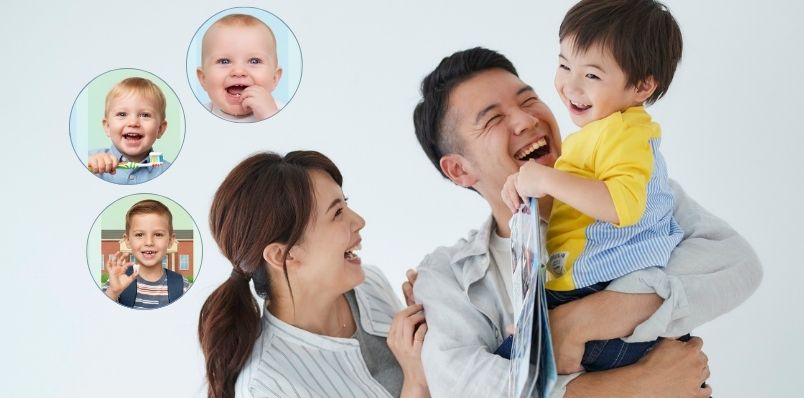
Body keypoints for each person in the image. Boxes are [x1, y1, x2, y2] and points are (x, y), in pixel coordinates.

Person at [411, 47, 762, 397]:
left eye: (528, 100)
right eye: (492, 119)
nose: (525, 120)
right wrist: (640, 385)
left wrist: (587, 318)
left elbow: (737, 264)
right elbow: (464, 386)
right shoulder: (447, 277)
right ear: (459, 169)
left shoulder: (636, 192)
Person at [500, 0, 686, 372]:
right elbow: (580, 211)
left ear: (642, 85)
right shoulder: (598, 132)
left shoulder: (624, 132)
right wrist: (531, 192)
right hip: (585, 283)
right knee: (512, 355)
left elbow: (621, 206)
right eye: (564, 65)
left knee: (508, 365)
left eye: (592, 76)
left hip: (603, 288)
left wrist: (546, 178)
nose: (569, 85)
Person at [198, 151, 429, 398]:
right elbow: (418, 378)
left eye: (346, 204)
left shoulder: (371, 285)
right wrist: (416, 382)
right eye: (337, 213)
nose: (359, 221)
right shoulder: (267, 387)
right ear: (283, 255)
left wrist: (434, 327)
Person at [196, 14, 284, 122]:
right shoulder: (197, 118)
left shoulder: (283, 115)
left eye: (254, 61)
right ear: (203, 79)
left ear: (274, 78)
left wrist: (270, 117)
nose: (238, 71)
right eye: (224, 61)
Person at [103, 199, 190, 309]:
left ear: (170, 240)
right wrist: (114, 292)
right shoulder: (116, 282)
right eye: (139, 235)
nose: (149, 242)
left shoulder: (183, 286)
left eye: (158, 234)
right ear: (128, 240)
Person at [87, 77, 171, 184]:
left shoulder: (168, 171)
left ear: (160, 129)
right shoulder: (89, 160)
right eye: (122, 114)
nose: (133, 123)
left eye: (145, 115)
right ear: (107, 126)